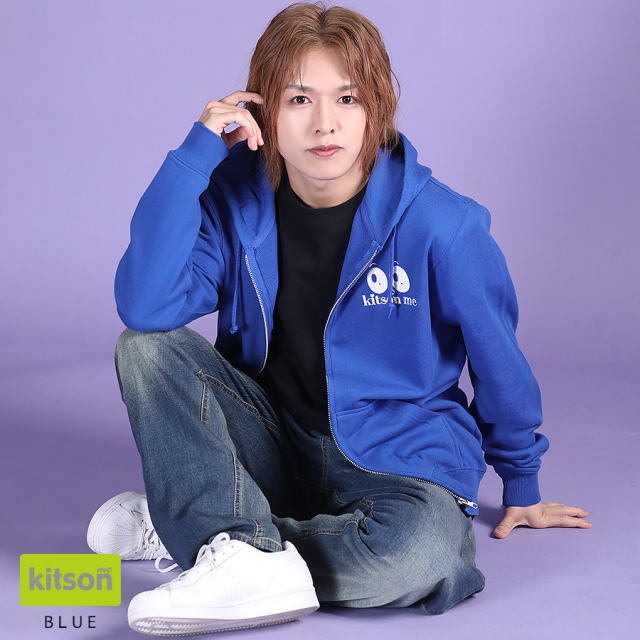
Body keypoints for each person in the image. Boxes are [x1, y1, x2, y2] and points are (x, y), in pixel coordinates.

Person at [87, 2, 592, 636]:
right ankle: (223, 538)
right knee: (144, 348)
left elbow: (498, 359)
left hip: (397, 461)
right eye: (299, 99)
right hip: (272, 442)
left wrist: (522, 482)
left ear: (376, 107)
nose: (325, 124)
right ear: (264, 112)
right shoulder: (235, 198)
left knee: (420, 559)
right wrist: (194, 156)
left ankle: (210, 533)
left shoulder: (445, 224)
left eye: (348, 99)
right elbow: (146, 305)